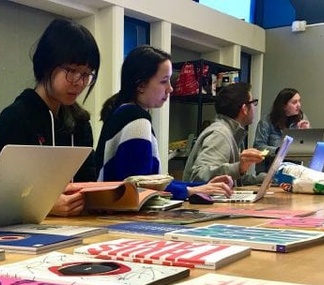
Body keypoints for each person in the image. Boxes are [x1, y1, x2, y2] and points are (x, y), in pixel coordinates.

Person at [0, 18, 100, 217]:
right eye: (72, 71)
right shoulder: (16, 118)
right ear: (47, 64)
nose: (79, 83)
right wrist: (42, 205)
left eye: (86, 74)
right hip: (26, 235)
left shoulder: (80, 123)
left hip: (78, 229)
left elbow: (89, 182)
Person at [95, 45, 233, 199]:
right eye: (164, 81)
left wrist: (202, 187)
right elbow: (141, 188)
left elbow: (152, 182)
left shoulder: (125, 112)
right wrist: (191, 191)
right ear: (141, 85)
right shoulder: (136, 119)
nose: (170, 89)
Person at [182, 82, 266, 186]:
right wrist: (238, 167)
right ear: (244, 109)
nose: (254, 107)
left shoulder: (231, 131)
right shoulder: (220, 134)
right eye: (253, 102)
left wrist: (263, 178)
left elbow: (234, 178)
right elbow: (199, 176)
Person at [253, 87, 310, 172]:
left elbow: (308, 148)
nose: (299, 105)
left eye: (299, 101)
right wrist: (278, 151)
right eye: (294, 102)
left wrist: (305, 133)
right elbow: (258, 148)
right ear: (283, 106)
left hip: (294, 170)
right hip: (270, 171)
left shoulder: (301, 118)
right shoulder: (266, 122)